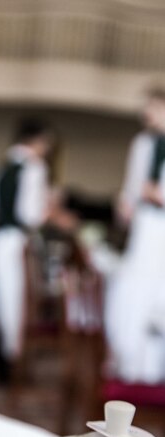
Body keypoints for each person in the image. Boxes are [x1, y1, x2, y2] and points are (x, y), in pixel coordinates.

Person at [0, 118, 55, 382]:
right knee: (16, 303)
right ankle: (11, 364)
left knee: (1, 301)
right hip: (17, 242)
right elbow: (29, 215)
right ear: (38, 140)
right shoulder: (34, 168)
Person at [105, 87, 165, 383]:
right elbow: (133, 183)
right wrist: (127, 201)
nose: (147, 113)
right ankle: (129, 359)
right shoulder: (143, 142)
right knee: (135, 284)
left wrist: (157, 194)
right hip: (145, 225)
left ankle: (152, 368)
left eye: (153, 106)